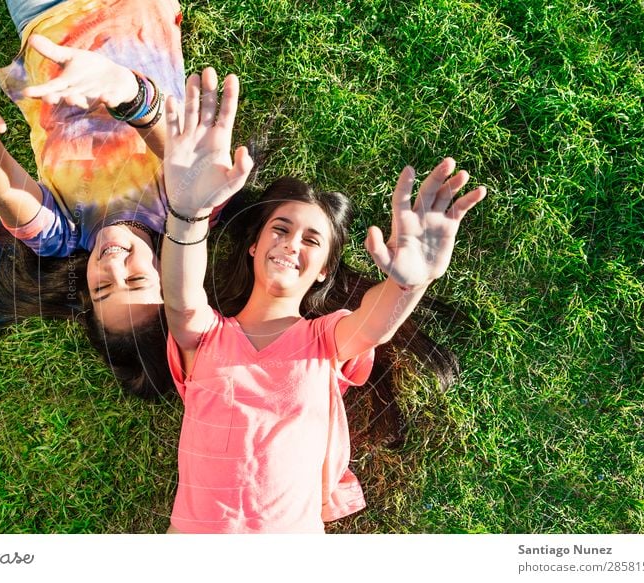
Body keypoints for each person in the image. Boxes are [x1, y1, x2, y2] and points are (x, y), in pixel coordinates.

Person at [159, 68, 486, 533]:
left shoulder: (324, 340)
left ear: (325, 271)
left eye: (312, 240)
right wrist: (188, 212)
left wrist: (408, 286)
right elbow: (181, 299)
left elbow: (374, 326)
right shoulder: (206, 335)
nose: (292, 243)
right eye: (281, 228)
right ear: (254, 245)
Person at [0, 0, 190, 397]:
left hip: (45, 12)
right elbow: (186, 160)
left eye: (103, 289)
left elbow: (0, 182)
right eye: (135, 279)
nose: (114, 266)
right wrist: (126, 93)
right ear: (168, 277)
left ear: (85, 292)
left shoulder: (62, 232)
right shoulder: (183, 212)